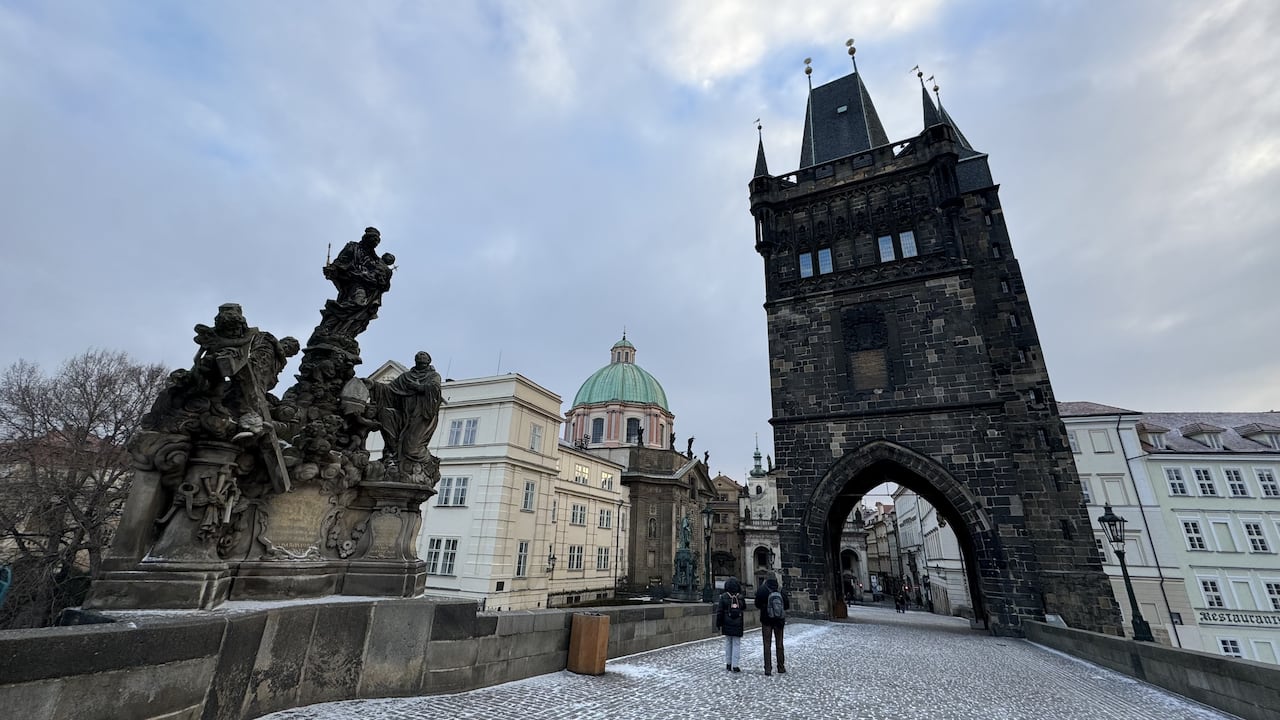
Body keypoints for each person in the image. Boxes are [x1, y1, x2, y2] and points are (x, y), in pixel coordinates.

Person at [755, 576, 788, 676]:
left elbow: (757, 604)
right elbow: (787, 605)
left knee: (767, 644)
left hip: (766, 620)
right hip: (779, 621)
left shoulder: (762, 590)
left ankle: (768, 669)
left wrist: (765, 607)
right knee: (779, 644)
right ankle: (781, 667)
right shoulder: (781, 590)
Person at [714, 576, 746, 672]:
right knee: (736, 644)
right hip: (737, 623)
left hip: (726, 623)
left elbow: (719, 611)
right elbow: (744, 607)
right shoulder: (740, 597)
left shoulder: (723, 596)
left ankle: (728, 663)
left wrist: (718, 623)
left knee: (728, 643)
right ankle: (735, 665)